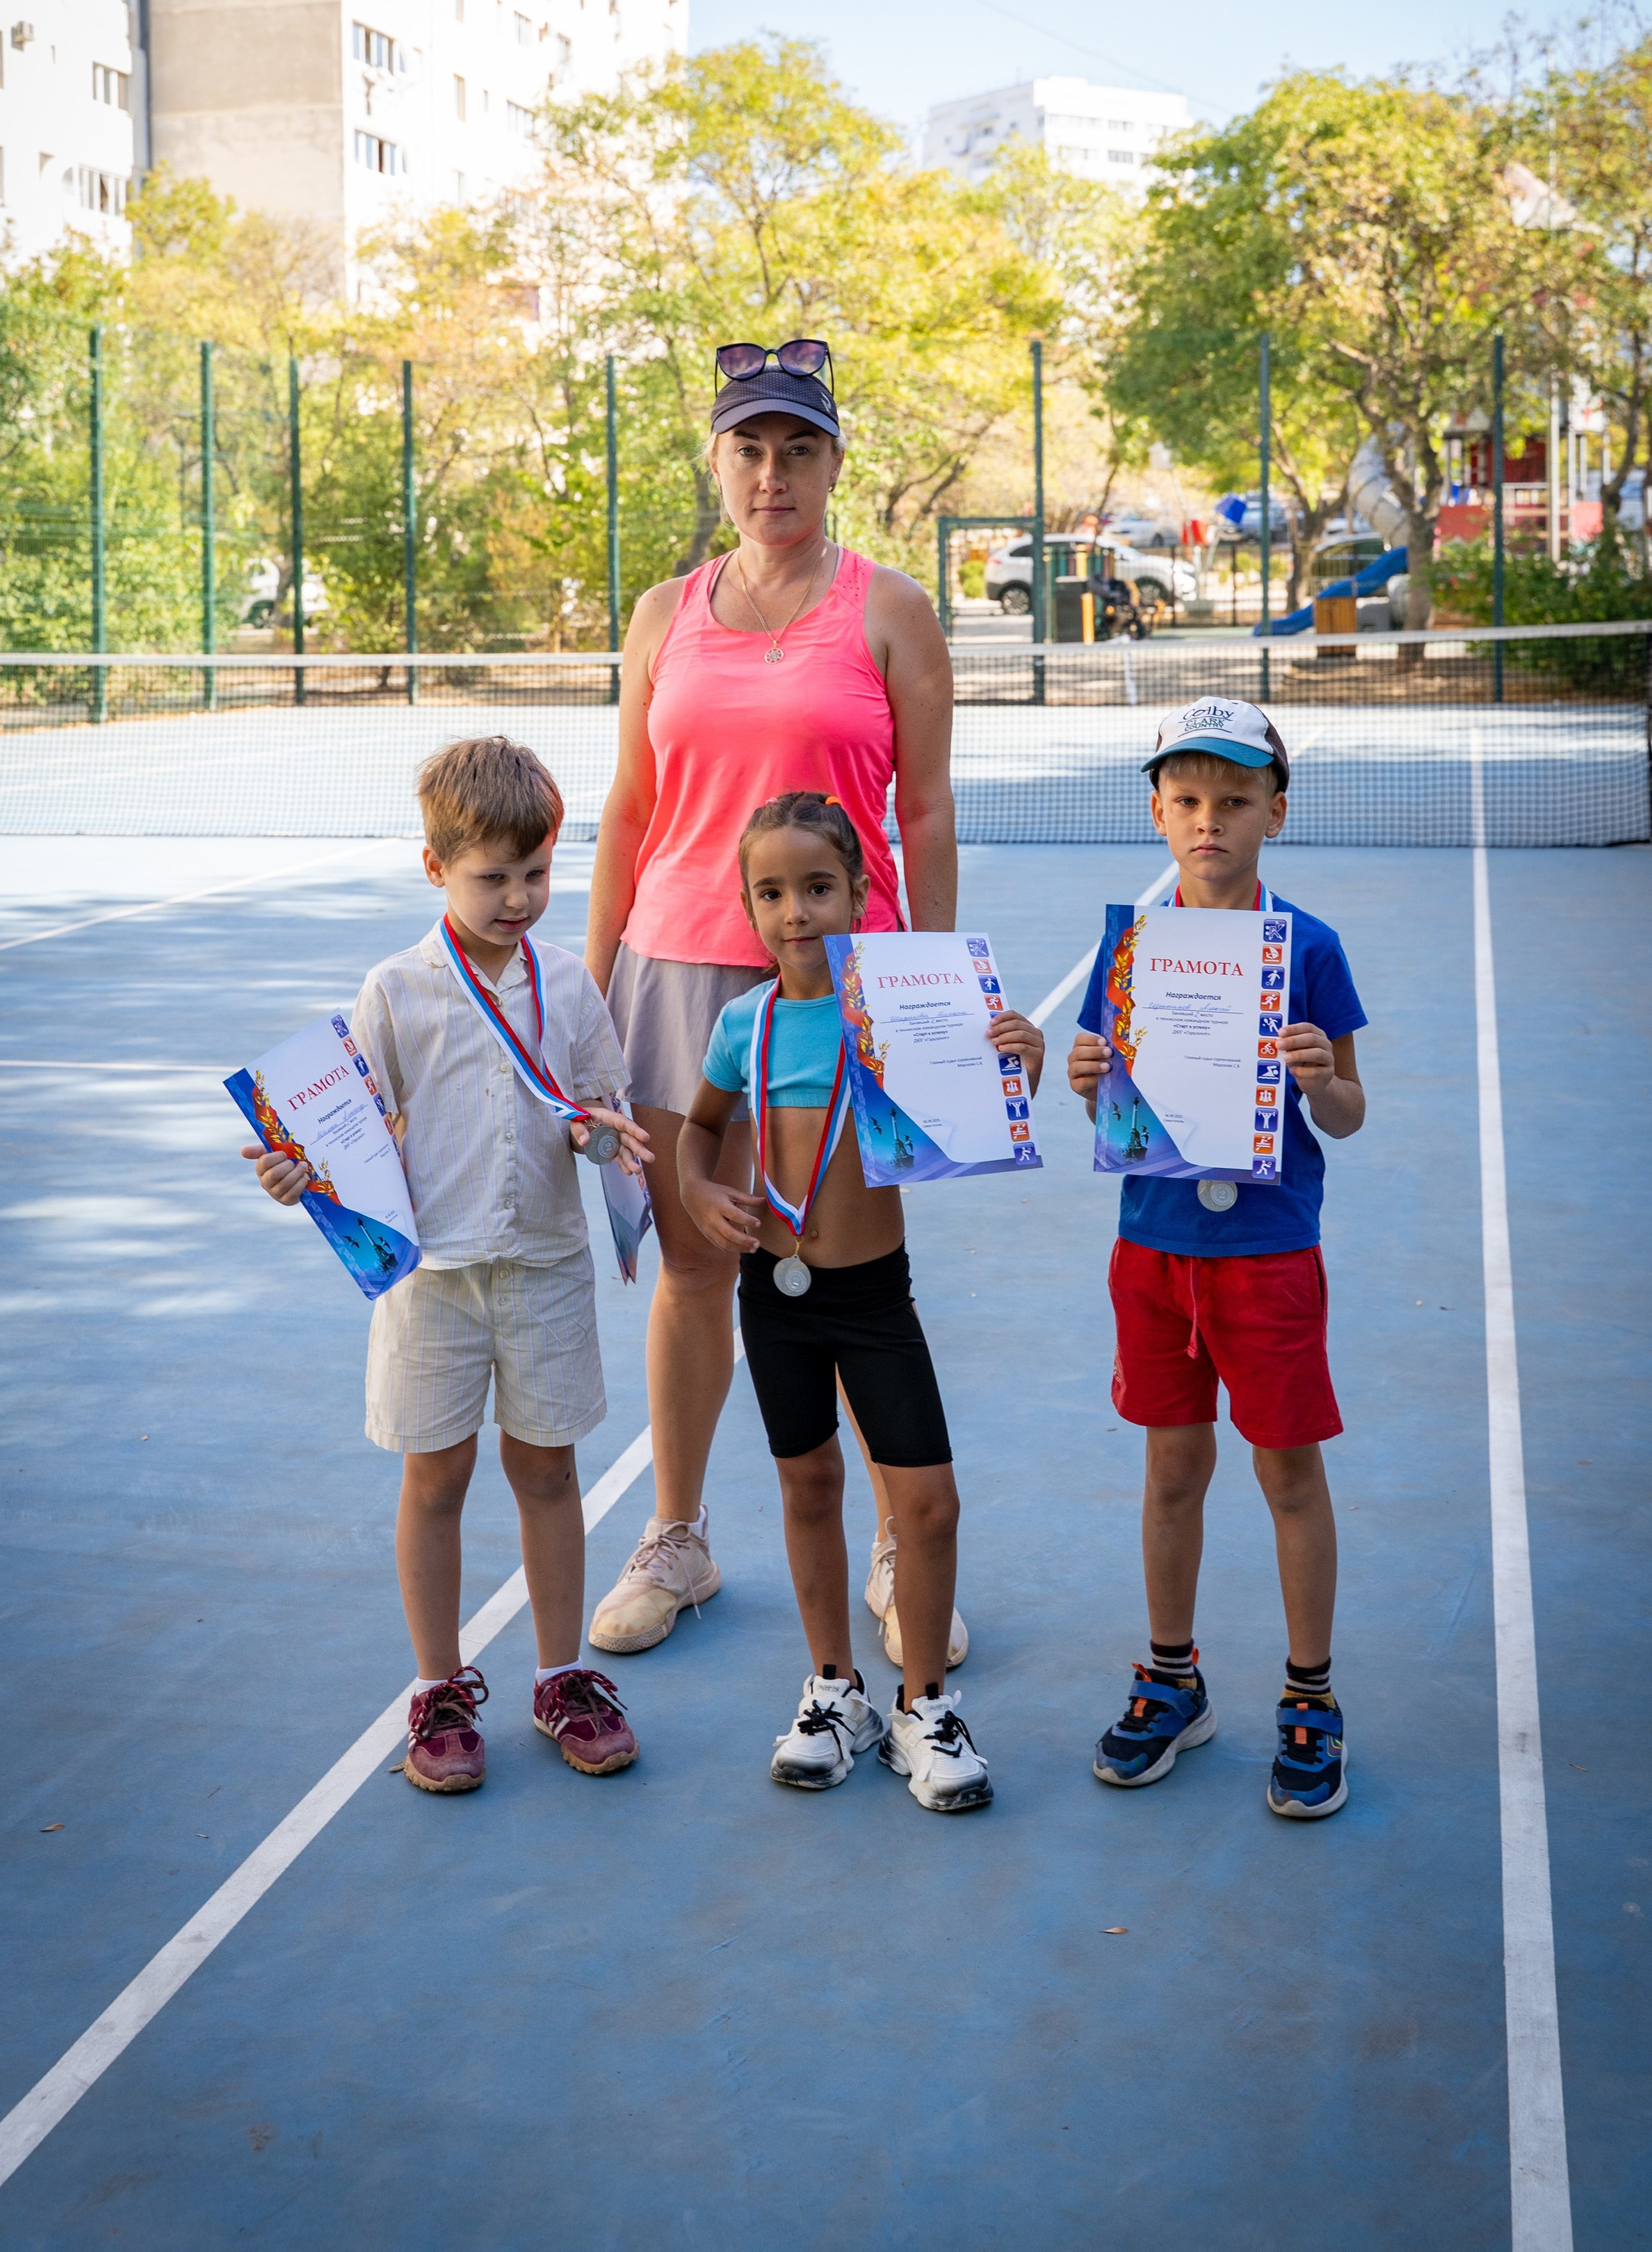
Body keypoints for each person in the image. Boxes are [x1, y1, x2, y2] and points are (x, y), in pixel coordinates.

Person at [585, 339, 966, 1667]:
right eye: (748, 449)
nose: (771, 474)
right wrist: (586, 1000)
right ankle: (677, 1537)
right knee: (696, 1262)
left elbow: (920, 808)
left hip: (843, 981)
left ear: (833, 464)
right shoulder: (659, 615)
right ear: (718, 465)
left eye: (797, 449)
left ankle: (891, 1544)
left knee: (852, 1265)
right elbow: (631, 811)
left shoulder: (891, 609)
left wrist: (931, 989)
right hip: (678, 967)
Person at [243, 736, 653, 1794]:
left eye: (537, 873)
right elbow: (345, 1136)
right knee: (437, 1477)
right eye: (493, 877)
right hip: (431, 1281)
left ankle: (562, 1676)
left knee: (549, 1470)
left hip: (545, 1268)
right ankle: (437, 1688)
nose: (520, 898)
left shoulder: (568, 985)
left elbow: (607, 1117)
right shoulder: (393, 989)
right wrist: (302, 1176)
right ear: (436, 869)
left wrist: (601, 1137)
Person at [679, 792, 1045, 1809]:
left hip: (876, 1296)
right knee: (808, 1489)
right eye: (772, 892)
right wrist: (699, 1189)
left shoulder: (904, 1014)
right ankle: (835, 1689)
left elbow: (989, 1100)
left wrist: (1022, 1060)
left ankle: (923, 1707)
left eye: (818, 888)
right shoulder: (741, 1025)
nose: (796, 911)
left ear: (859, 894)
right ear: (749, 907)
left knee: (926, 1502)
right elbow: (698, 1132)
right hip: (776, 1292)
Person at [1066, 697, 1368, 1819]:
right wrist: (1088, 1078)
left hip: (1268, 1254)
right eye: (1189, 801)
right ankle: (1173, 1677)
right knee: (1170, 1472)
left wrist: (1314, 1079)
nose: (1211, 822)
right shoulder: (1132, 949)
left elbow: (1349, 1113)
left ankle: (1311, 1692)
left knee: (1288, 1474)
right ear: (1158, 813)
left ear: (1273, 815)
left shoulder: (1311, 950)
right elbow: (1103, 1092)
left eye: (1236, 802)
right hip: (1151, 1248)